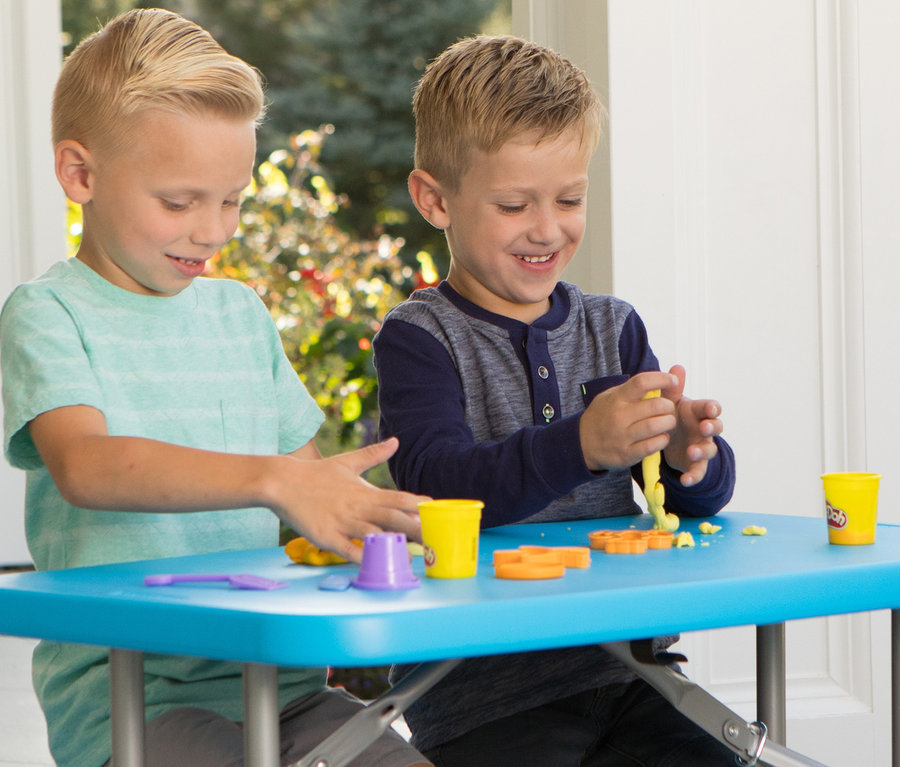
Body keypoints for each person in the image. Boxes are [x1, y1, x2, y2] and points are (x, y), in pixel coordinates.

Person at [0, 9, 432, 767]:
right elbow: (87, 465)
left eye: (230, 200)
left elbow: (308, 497)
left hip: (284, 685)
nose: (213, 230)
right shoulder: (48, 313)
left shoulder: (240, 314)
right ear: (80, 174)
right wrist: (274, 480)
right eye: (179, 201)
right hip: (136, 699)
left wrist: (364, 529)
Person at [373, 35, 738, 766]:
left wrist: (687, 456)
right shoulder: (419, 338)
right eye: (514, 204)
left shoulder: (612, 326)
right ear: (435, 199)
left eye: (569, 198)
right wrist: (582, 444)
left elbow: (687, 502)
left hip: (632, 674)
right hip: (486, 696)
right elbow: (438, 487)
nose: (547, 227)